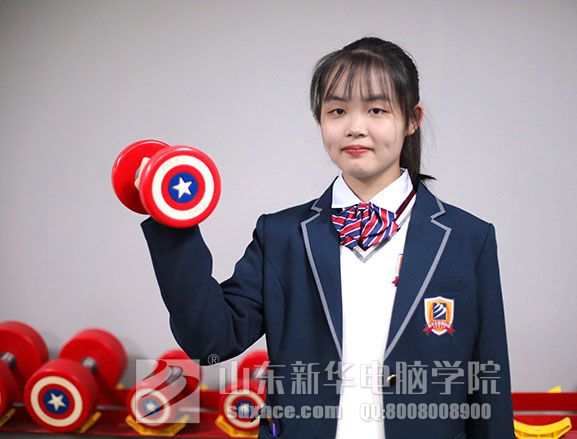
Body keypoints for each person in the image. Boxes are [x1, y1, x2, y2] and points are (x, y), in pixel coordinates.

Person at [141, 36, 515, 439]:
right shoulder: (281, 236)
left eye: (376, 109)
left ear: (412, 119)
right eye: (337, 110)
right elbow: (210, 341)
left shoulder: (467, 239)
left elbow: (488, 385)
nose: (355, 127)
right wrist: (171, 216)